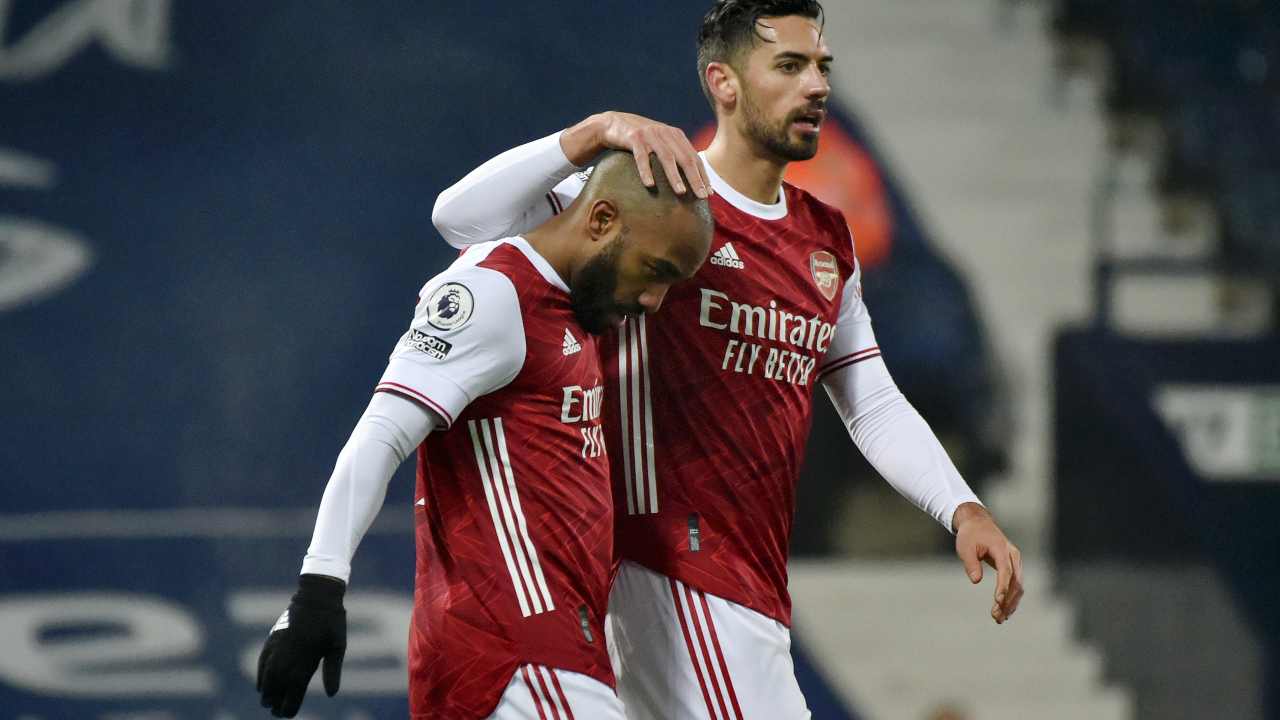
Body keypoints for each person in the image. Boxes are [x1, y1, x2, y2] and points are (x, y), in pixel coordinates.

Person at [429, 1, 1025, 718]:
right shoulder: (655, 196)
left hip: (750, 587)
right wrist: (588, 137)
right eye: (789, 66)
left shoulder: (826, 240)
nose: (817, 86)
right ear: (724, 82)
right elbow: (459, 219)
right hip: (664, 573)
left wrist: (961, 508)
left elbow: (869, 401)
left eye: (822, 67)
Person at [255, 151, 713, 719]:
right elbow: (381, 435)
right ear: (599, 222)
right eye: (654, 271)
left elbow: (475, 207)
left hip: (547, 652)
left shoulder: (575, 282)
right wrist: (319, 588)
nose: (653, 301)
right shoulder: (492, 297)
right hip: (517, 652)